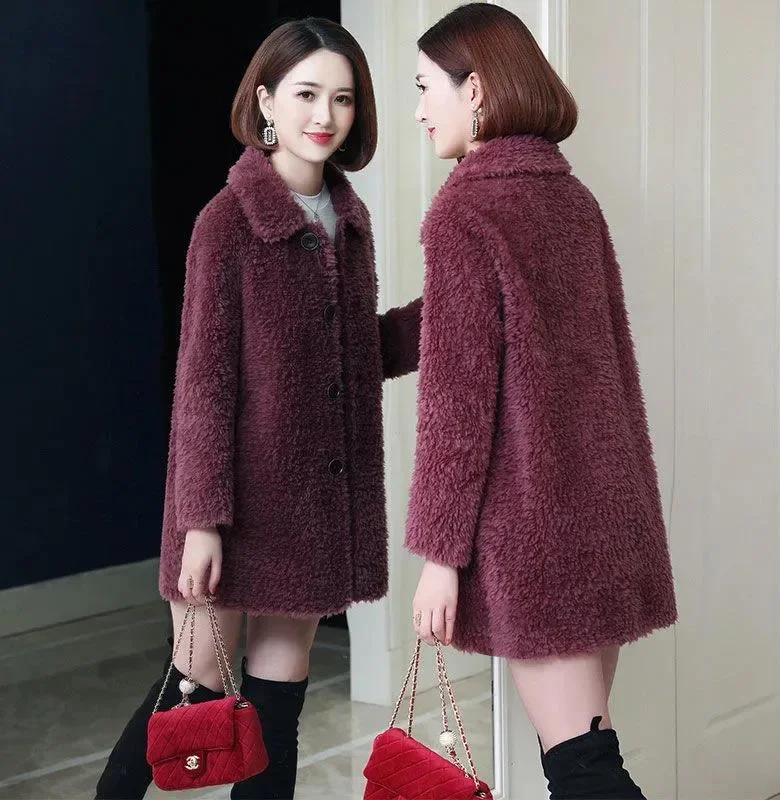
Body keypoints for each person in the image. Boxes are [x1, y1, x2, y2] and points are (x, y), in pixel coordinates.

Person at [95, 17, 420, 800]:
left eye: (342, 98)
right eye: (306, 94)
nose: (325, 115)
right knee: (194, 684)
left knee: (280, 697)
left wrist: (443, 315)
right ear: (267, 101)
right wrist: (202, 521)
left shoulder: (348, 221)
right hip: (227, 499)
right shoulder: (227, 223)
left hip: (309, 506)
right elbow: (204, 382)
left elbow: (349, 355)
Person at [405, 4, 677, 798]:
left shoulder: (465, 211)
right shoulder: (572, 199)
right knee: (588, 752)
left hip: (537, 535)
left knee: (584, 770)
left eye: (424, 88)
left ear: (475, 90)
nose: (419, 110)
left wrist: (440, 557)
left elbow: (457, 406)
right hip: (606, 516)